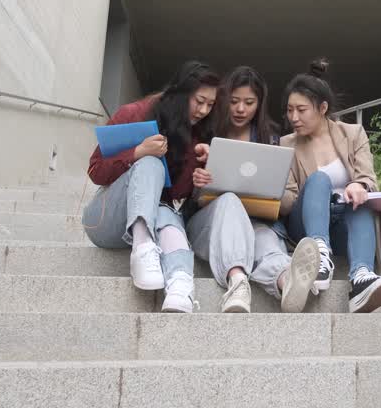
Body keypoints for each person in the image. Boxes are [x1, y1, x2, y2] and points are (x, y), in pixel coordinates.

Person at [83, 61, 217, 313]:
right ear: (180, 92)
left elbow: (178, 196)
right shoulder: (134, 113)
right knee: (150, 164)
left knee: (166, 211)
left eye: (210, 105)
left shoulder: (197, 134)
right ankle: (143, 249)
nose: (203, 110)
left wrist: (201, 167)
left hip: (158, 216)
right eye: (199, 101)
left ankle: (180, 283)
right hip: (105, 220)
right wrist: (137, 152)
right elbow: (95, 171)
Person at [190, 66, 320, 313]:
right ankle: (237, 281)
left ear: (259, 104)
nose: (241, 109)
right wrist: (200, 182)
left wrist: (270, 191)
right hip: (211, 221)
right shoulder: (204, 132)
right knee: (229, 200)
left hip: (259, 222)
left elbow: (290, 199)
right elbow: (189, 196)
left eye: (249, 102)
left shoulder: (270, 138)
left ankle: (286, 281)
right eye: (234, 101)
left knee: (264, 240)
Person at [280, 58, 381, 313]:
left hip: (344, 222)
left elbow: (368, 178)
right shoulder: (286, 144)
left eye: (301, 110)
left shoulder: (353, 134)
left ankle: (361, 278)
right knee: (319, 180)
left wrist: (359, 186)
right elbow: (288, 202)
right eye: (290, 110)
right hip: (305, 224)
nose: (293, 117)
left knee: (360, 200)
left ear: (322, 107)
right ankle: (318, 256)